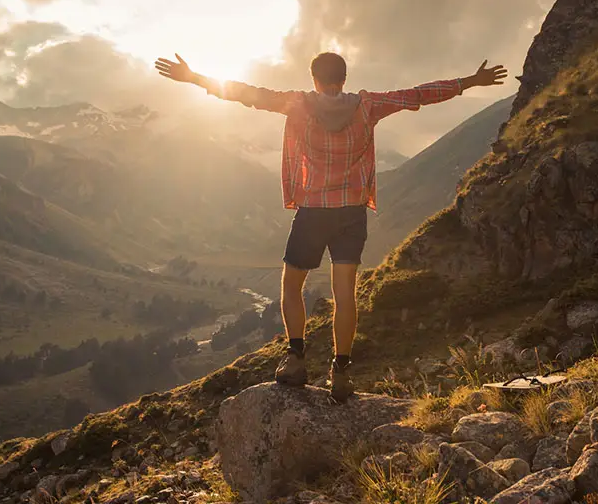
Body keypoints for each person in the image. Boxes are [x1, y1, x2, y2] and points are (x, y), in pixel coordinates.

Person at [155, 52, 508, 402]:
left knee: (291, 285)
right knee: (344, 296)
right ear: (344, 78)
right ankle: (340, 372)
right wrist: (469, 82)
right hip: (351, 213)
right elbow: (417, 95)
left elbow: (247, 93)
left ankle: (295, 359)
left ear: (314, 79)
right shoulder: (368, 106)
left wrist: (194, 78)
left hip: (312, 212)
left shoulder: (297, 105)